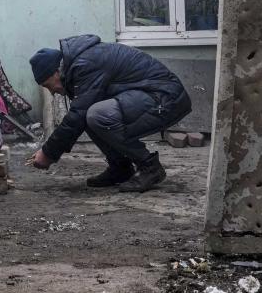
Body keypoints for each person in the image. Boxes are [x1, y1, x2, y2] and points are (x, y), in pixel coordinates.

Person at [27, 34, 191, 192]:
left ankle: (149, 166)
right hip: (151, 96)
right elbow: (80, 115)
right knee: (90, 114)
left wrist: (48, 153)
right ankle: (120, 168)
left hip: (164, 98)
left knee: (96, 114)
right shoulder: (80, 63)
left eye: (49, 85)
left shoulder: (86, 64)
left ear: (56, 71)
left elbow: (77, 116)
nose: (53, 92)